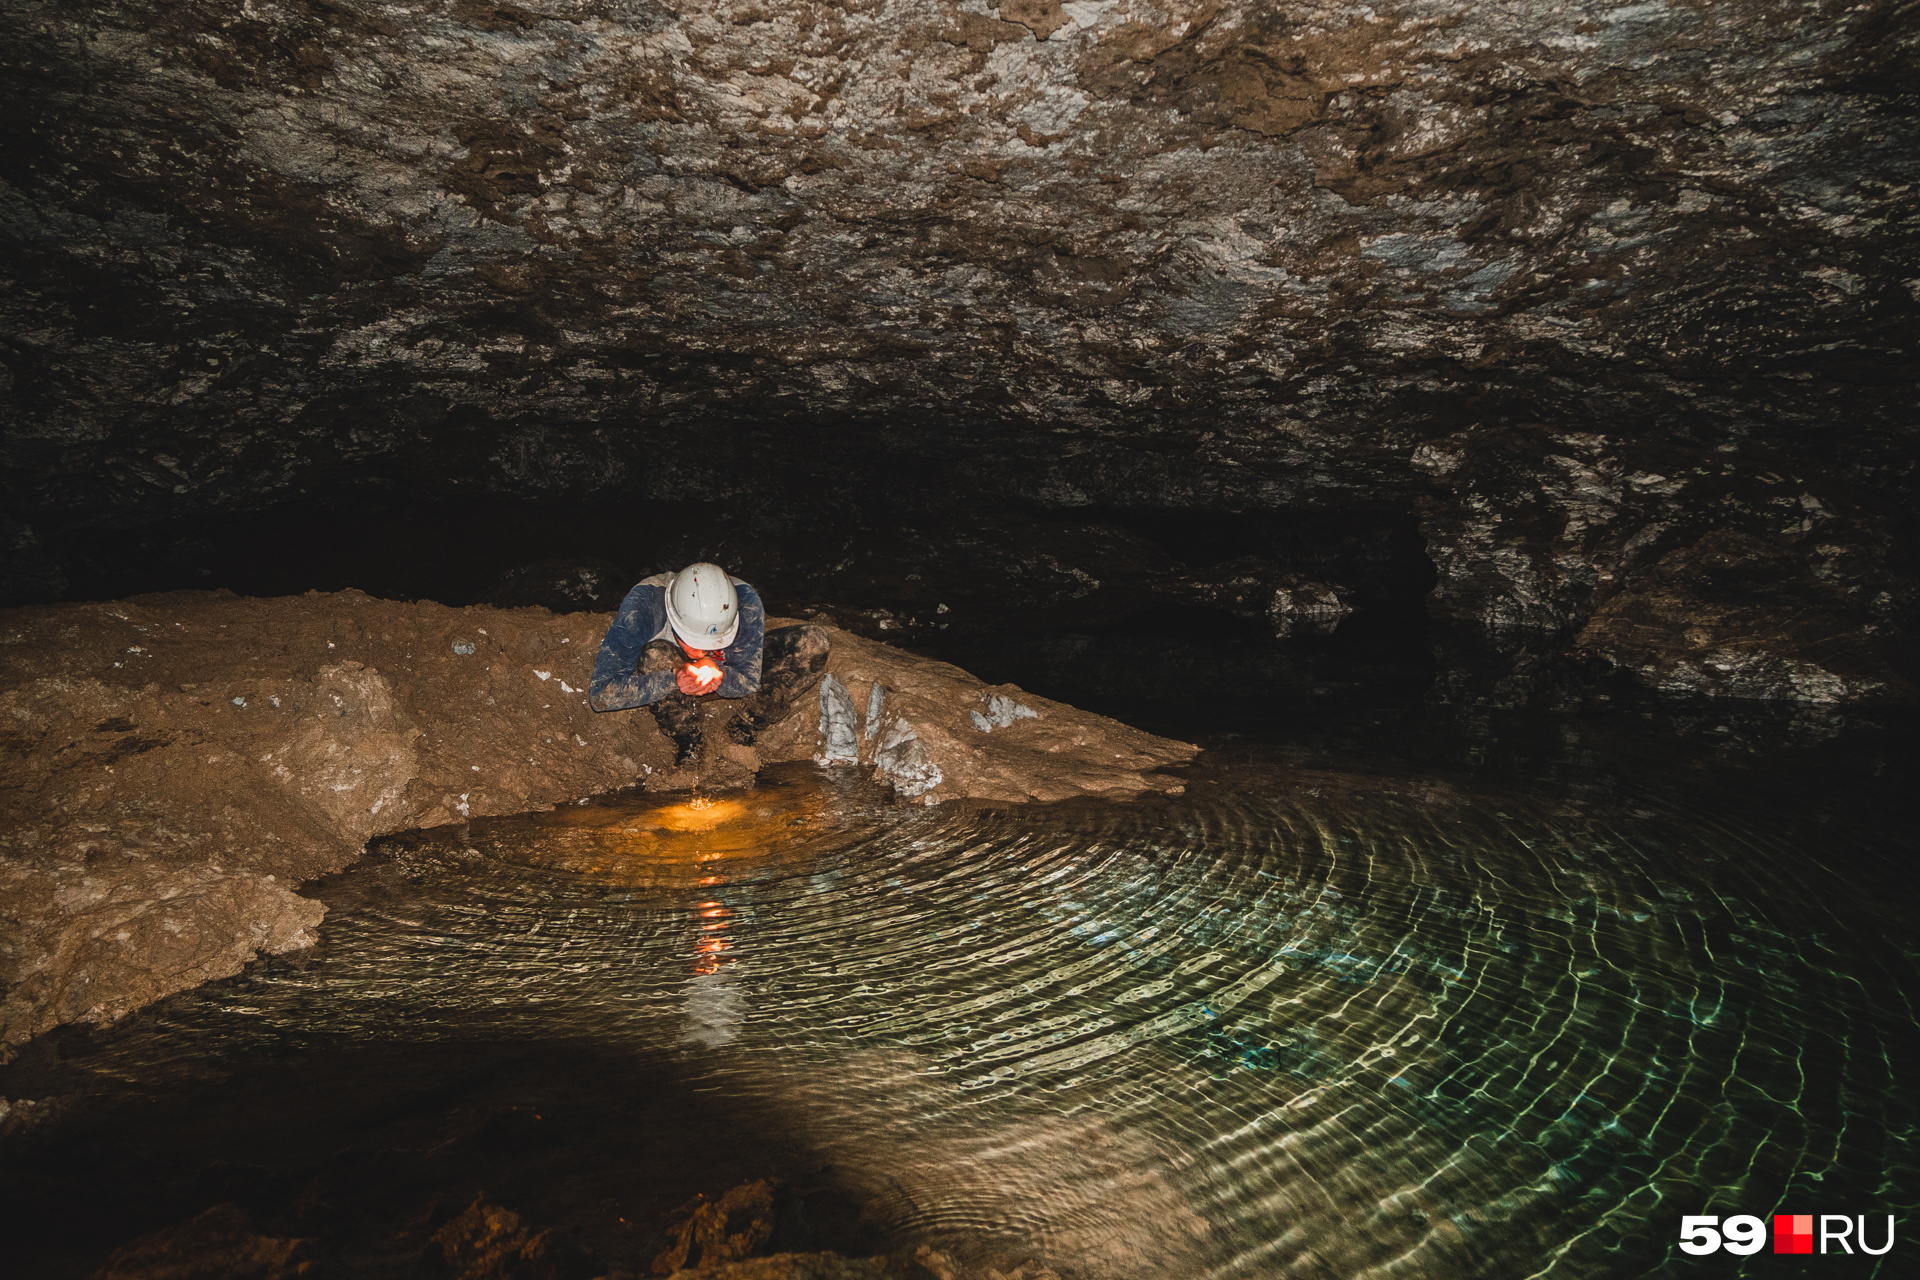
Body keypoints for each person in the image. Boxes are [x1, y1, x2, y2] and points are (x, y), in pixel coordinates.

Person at [590, 562, 828, 764]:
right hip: (672, 672)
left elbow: (748, 680)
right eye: (695, 642)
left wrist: (720, 672)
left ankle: (742, 730)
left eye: (714, 643)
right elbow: (602, 695)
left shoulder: (745, 602)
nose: (704, 651)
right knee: (655, 655)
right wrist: (672, 679)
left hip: (721, 670)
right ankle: (690, 745)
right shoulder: (642, 608)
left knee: (813, 643)